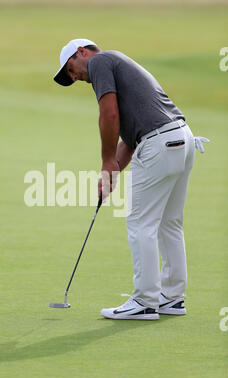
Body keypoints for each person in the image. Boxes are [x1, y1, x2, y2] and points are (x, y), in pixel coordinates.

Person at [53, 38, 209, 320]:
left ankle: (145, 301)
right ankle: (172, 298)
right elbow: (130, 139)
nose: (74, 78)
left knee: (140, 223)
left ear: (81, 52)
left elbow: (108, 114)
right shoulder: (118, 65)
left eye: (71, 70)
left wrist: (105, 162)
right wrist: (112, 174)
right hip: (180, 139)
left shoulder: (100, 61)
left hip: (161, 143)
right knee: (168, 223)